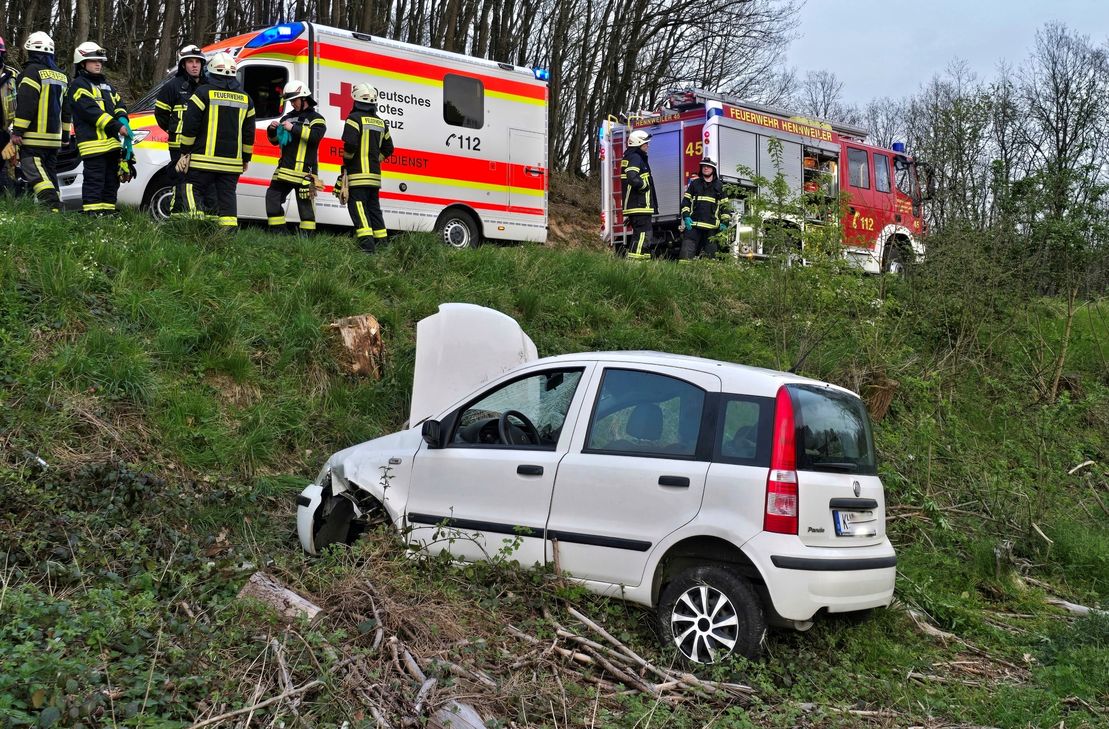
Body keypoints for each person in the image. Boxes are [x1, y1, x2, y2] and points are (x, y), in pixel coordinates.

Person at [175, 51, 255, 227]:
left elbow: (190, 125)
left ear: (210, 71)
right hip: (232, 163)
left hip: (203, 160)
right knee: (227, 198)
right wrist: (245, 159)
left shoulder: (203, 92)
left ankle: (198, 229)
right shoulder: (246, 99)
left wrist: (185, 152)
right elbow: (249, 133)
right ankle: (226, 235)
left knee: (190, 186)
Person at [67, 42, 130, 215]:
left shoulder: (107, 86)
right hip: (93, 145)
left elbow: (119, 104)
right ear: (82, 63)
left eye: (100, 61)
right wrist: (117, 126)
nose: (98, 64)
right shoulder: (78, 86)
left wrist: (123, 119)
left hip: (112, 145)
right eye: (93, 60)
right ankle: (92, 216)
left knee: (111, 181)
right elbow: (91, 112)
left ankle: (107, 214)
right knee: (95, 181)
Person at [11, 32, 70, 211]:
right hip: (54, 139)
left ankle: (52, 205)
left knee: (33, 170)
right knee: (50, 174)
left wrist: (17, 131)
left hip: (33, 137)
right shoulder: (63, 76)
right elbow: (67, 111)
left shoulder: (31, 72)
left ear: (30, 50)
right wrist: (65, 136)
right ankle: (54, 212)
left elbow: (26, 105)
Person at [265, 80, 326, 234]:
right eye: (290, 101)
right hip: (285, 170)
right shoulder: (287, 117)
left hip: (305, 172)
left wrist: (293, 128)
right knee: (272, 198)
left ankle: (307, 241)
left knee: (306, 210)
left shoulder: (317, 119)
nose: (292, 104)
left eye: (294, 100)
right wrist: (272, 130)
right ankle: (279, 234)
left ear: (304, 99)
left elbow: (315, 137)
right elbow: (275, 142)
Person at [338, 82, 393, 252]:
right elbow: (389, 148)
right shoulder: (381, 123)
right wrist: (375, 160)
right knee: (374, 210)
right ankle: (383, 247)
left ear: (355, 100)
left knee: (359, 208)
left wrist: (347, 162)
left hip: (357, 175)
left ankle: (367, 248)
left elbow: (350, 145)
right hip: (374, 177)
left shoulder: (353, 119)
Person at [154, 44, 205, 212]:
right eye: (190, 61)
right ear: (183, 65)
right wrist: (173, 130)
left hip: (201, 146)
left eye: (197, 61)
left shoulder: (208, 87)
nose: (195, 65)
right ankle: (178, 213)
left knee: (199, 182)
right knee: (180, 180)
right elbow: (161, 114)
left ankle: (195, 214)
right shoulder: (172, 86)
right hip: (179, 145)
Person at [678, 158, 730, 261]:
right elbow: (686, 202)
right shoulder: (694, 184)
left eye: (708, 166)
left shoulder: (720, 186)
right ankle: (683, 275)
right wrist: (686, 217)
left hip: (712, 228)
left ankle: (708, 277)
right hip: (693, 226)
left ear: (713, 169)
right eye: (703, 166)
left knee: (711, 260)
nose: (705, 168)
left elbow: (725, 207)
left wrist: (725, 223)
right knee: (685, 256)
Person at [620, 129, 656, 260]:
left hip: (638, 205)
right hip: (639, 205)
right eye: (646, 143)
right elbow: (632, 177)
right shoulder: (635, 157)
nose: (648, 145)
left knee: (644, 236)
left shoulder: (632, 157)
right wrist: (644, 186)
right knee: (642, 235)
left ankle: (643, 264)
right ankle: (635, 264)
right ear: (639, 143)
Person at [0, 36, 20, 195]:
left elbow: (22, 105)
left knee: (8, 168)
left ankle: (12, 201)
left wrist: (15, 133)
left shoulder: (13, 75)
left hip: (6, 131)